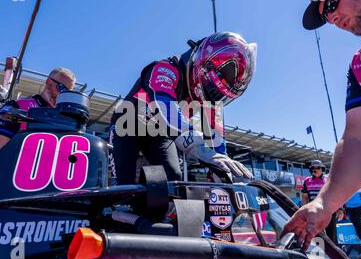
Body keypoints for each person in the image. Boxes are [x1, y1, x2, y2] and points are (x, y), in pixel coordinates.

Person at [283, 0, 361, 249]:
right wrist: (324, 203)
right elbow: (359, 139)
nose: (331, 19)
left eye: (331, 3)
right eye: (326, 17)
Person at [109, 32, 257, 185]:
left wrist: (224, 175)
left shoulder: (209, 101)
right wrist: (199, 148)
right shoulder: (164, 69)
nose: (214, 95)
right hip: (127, 126)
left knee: (173, 180)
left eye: (220, 94)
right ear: (202, 65)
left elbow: (216, 141)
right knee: (123, 186)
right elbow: (166, 109)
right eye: (212, 88)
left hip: (159, 134)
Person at [0, 68, 77, 168]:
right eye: (61, 88)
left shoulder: (64, 120)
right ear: (48, 82)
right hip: (13, 179)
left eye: (68, 93)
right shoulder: (19, 107)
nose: (63, 95)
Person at [301, 160, 342, 242]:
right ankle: (319, 253)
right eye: (313, 168)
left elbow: (337, 195)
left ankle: (334, 253)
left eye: (318, 168)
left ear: (322, 169)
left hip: (329, 212)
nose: (315, 169)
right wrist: (304, 210)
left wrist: (340, 209)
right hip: (314, 213)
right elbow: (304, 197)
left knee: (332, 237)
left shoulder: (329, 179)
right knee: (316, 237)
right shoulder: (306, 181)